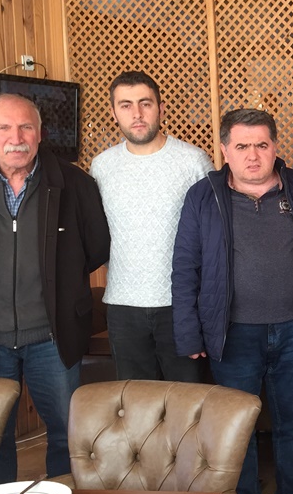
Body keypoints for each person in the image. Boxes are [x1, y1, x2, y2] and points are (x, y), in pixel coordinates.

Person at [0, 93, 110, 483]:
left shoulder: (75, 183)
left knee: (66, 433)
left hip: (53, 336)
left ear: (40, 133)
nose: (16, 138)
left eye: (26, 127)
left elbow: (96, 247)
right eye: (4, 128)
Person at [172, 108, 293, 494]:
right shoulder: (203, 197)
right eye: (241, 146)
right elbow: (185, 267)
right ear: (224, 150)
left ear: (275, 147)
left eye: (261, 145)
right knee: (239, 430)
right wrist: (190, 334)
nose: (252, 156)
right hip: (231, 335)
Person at [90, 71, 211, 381]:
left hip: (182, 304)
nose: (137, 113)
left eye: (145, 103)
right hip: (123, 305)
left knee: (188, 399)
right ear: (114, 112)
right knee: (135, 401)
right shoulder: (102, 166)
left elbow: (213, 234)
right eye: (126, 105)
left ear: (160, 108)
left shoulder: (193, 161)